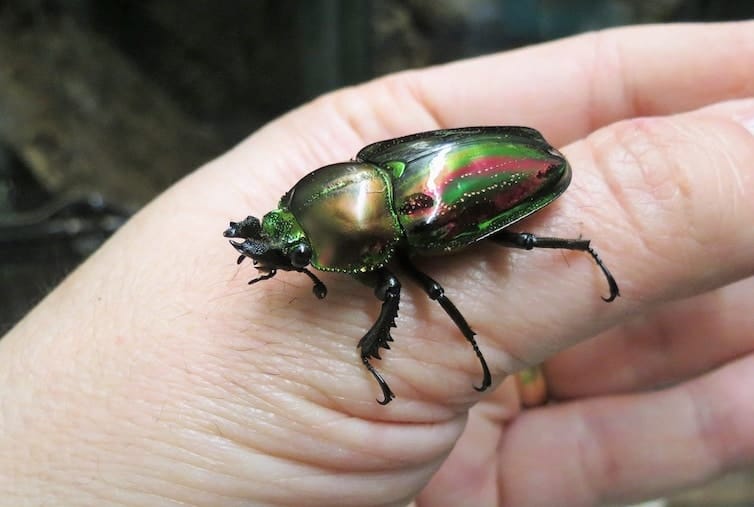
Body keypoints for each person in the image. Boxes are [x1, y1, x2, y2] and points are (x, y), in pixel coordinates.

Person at [2, 20, 754, 506]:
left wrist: (404, 352)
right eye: (291, 233)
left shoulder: (401, 234)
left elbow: (419, 300)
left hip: (523, 178)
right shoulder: (366, 167)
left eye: (295, 240)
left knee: (488, 261)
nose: (287, 248)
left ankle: (579, 245)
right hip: (472, 159)